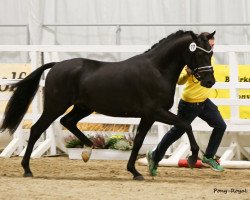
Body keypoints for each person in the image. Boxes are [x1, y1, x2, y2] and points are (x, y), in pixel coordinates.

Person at [147, 32, 227, 176]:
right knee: (175, 133)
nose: (212, 48)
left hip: (204, 102)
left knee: (220, 125)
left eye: (213, 46)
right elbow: (180, 81)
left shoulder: (209, 58)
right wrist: (188, 73)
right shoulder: (194, 59)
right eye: (210, 45)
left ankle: (208, 157)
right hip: (189, 104)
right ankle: (154, 156)